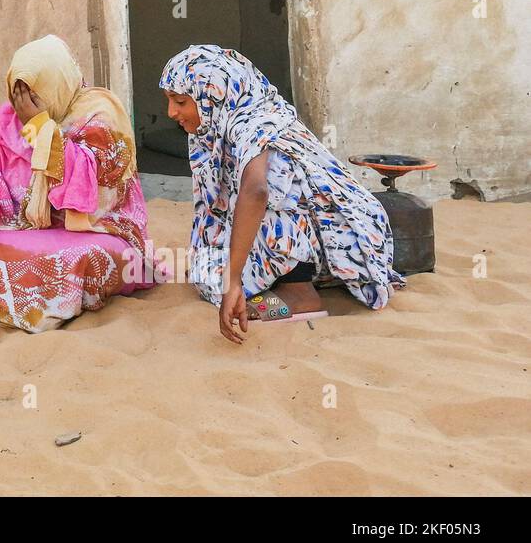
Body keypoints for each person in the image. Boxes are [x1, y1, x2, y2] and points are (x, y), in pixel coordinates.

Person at [159, 44, 403, 344]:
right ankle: (293, 277)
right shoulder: (224, 118)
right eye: (170, 100)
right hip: (316, 243)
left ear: (213, 95)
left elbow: (258, 191)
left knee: (271, 185)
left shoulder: (252, 121)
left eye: (180, 102)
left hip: (341, 236)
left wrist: (234, 281)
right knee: (208, 276)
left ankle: (298, 293)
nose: (171, 112)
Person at [0, 35, 155, 347]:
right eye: (17, 94)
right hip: (25, 232)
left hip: (90, 233)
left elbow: (87, 194)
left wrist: (38, 127)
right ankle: (18, 300)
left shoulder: (99, 114)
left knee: (83, 258)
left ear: (57, 82)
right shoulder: (2, 122)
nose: (22, 105)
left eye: (33, 94)